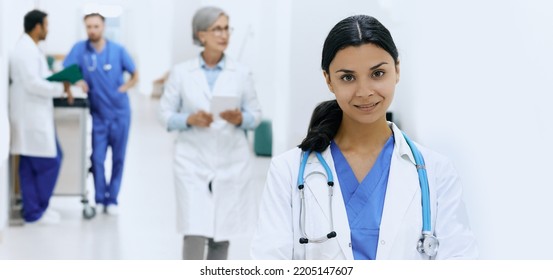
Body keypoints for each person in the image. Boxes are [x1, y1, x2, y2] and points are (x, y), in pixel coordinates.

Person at [250, 15, 478, 260]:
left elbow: (459, 262)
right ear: (328, 79)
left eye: (377, 74)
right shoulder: (287, 171)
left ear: (397, 70)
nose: (365, 92)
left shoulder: (436, 172)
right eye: (348, 77)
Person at [158, 6, 262, 260]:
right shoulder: (181, 73)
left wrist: (241, 118)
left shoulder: (241, 72)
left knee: (222, 229)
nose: (224, 34)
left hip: (230, 160)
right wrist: (189, 119)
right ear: (201, 35)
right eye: (217, 29)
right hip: (192, 160)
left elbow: (256, 114)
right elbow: (164, 114)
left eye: (227, 28)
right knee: (194, 228)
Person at [63, 13, 139, 216]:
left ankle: (112, 199)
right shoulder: (80, 49)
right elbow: (67, 70)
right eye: (88, 26)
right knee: (97, 158)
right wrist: (77, 81)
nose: (92, 30)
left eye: (96, 26)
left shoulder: (118, 50)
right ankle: (99, 197)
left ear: (103, 27)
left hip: (120, 112)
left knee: (119, 158)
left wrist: (124, 88)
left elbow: (135, 74)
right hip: (99, 114)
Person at [9, 10, 79, 225]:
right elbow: (33, 84)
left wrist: (61, 81)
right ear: (37, 26)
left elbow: (38, 77)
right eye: (46, 25)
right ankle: (35, 211)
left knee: (30, 163)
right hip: (31, 116)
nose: (48, 29)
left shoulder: (31, 49)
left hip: (33, 114)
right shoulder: (24, 51)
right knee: (50, 161)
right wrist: (60, 88)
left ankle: (35, 210)